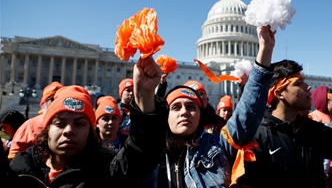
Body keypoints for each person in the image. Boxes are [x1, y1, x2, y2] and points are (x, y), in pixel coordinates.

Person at [138, 25, 275, 187]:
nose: (184, 112)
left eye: (191, 107)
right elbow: (142, 122)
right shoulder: (148, 152)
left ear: (200, 114)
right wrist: (143, 91)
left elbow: (248, 110)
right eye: (176, 107)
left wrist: (265, 50)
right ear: (165, 114)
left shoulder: (217, 146)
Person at [7, 55, 169, 187]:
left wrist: (142, 95)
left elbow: (141, 153)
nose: (69, 130)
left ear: (91, 130)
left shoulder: (104, 172)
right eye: (60, 123)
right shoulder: (20, 168)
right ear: (47, 128)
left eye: (79, 123)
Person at [236, 59, 332, 188]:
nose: (308, 87)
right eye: (298, 83)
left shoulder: (312, 130)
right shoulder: (256, 138)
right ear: (279, 93)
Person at [8, 81, 63, 161]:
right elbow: (14, 157)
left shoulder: (71, 126)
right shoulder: (29, 125)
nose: (56, 103)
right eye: (53, 99)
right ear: (45, 102)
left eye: (60, 99)